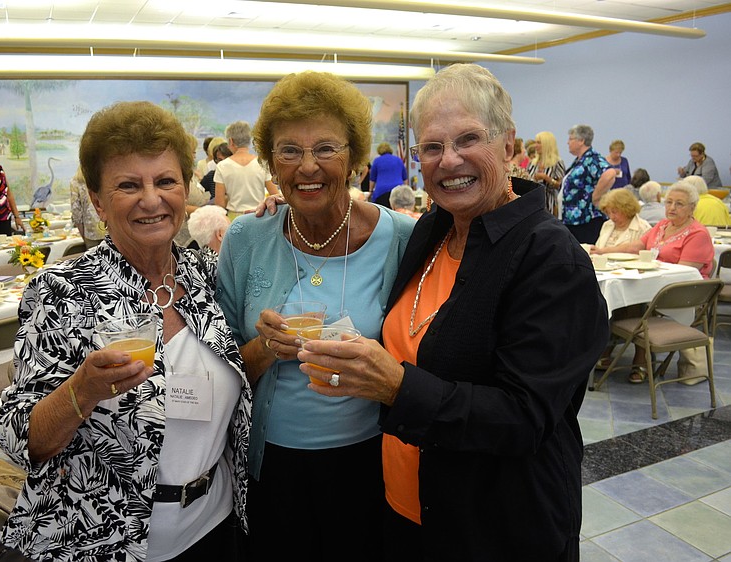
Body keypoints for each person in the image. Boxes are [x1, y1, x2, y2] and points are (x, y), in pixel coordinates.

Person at [293, 64, 608, 561]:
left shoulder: (550, 257)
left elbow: (525, 418)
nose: (449, 160)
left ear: (508, 147)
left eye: (468, 139)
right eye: (433, 148)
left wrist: (397, 386)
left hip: (492, 527)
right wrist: (283, 214)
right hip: (406, 508)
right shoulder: (433, 230)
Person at [0, 101, 251, 562]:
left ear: (186, 188)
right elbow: (20, 439)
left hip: (215, 522)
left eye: (165, 181)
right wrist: (83, 388)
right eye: (128, 185)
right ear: (97, 201)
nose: (151, 200)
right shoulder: (63, 293)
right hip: (107, 538)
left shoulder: (205, 275)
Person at [216, 71, 415, 562]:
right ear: (270, 161)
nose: (308, 167)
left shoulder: (403, 239)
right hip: (271, 465)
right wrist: (264, 349)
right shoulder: (246, 241)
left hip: (369, 460)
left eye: (326, 148)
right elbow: (216, 366)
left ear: (353, 156)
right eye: (289, 150)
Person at [592, 180, 713, 383]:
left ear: (692, 207)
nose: (672, 208)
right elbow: (635, 247)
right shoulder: (662, 225)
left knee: (634, 303)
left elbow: (685, 272)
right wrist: (602, 251)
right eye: (669, 202)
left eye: (679, 204)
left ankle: (635, 358)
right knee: (623, 297)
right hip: (654, 288)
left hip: (682, 295)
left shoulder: (698, 233)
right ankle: (619, 354)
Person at [561, 124, 618, 243]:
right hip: (574, 220)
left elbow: (610, 173)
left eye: (570, 139)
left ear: (581, 141)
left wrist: (596, 197)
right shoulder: (580, 160)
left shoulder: (592, 158)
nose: (567, 142)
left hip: (586, 220)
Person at [214, 120, 278, 219]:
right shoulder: (262, 163)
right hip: (259, 215)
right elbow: (275, 195)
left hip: (234, 219)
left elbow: (219, 204)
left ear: (231, 141)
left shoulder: (222, 166)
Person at [527, 131, 566, 216]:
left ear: (547, 144)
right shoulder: (532, 163)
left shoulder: (557, 163)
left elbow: (560, 185)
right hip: (533, 205)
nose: (535, 146)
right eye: (535, 142)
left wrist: (546, 178)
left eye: (539, 143)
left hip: (550, 205)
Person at [68, 166, 105, 249]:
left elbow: (76, 212)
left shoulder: (75, 182)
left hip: (90, 233)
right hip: (111, 231)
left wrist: (83, 235)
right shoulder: (105, 178)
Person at [370, 142, 408, 208]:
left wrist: (370, 191)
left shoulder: (377, 161)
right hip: (398, 191)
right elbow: (405, 178)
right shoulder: (398, 160)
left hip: (381, 192)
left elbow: (372, 179)